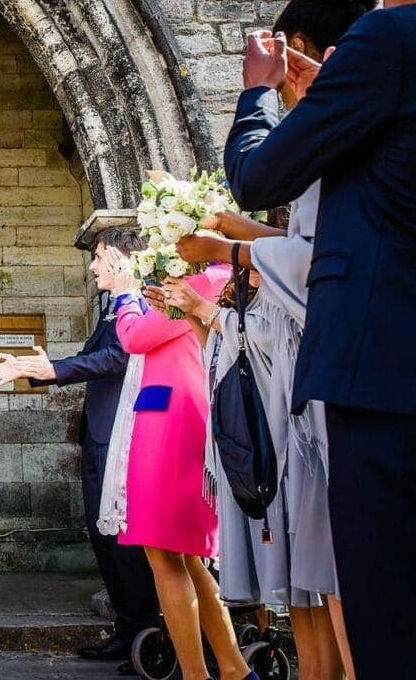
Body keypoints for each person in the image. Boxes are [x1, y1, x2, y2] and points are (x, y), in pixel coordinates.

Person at [220, 0, 416, 674]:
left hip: (387, 385)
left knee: (394, 625)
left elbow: (259, 177)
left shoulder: (394, 40)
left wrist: (254, 92)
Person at [174, 0, 378, 680]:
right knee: (318, 577)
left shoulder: (350, 124)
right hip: (315, 380)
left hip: (338, 377)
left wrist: (232, 246)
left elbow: (318, 256)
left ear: (301, 54)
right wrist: (241, 239)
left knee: (348, 579)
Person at [0, 228, 159, 672]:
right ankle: (126, 629)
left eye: (100, 257)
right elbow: (92, 359)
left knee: (124, 543)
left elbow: (115, 360)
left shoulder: (139, 305)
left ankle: (146, 635)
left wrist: (48, 369)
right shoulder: (110, 311)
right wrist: (38, 369)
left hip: (121, 438)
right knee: (103, 539)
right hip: (98, 435)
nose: (94, 265)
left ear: (121, 259)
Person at [106, 260, 256, 680]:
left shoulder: (202, 280)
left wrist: (126, 297)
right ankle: (233, 668)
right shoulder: (209, 278)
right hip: (173, 412)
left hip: (171, 421)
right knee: (186, 556)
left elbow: (135, 337)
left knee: (161, 549)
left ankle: (198, 674)